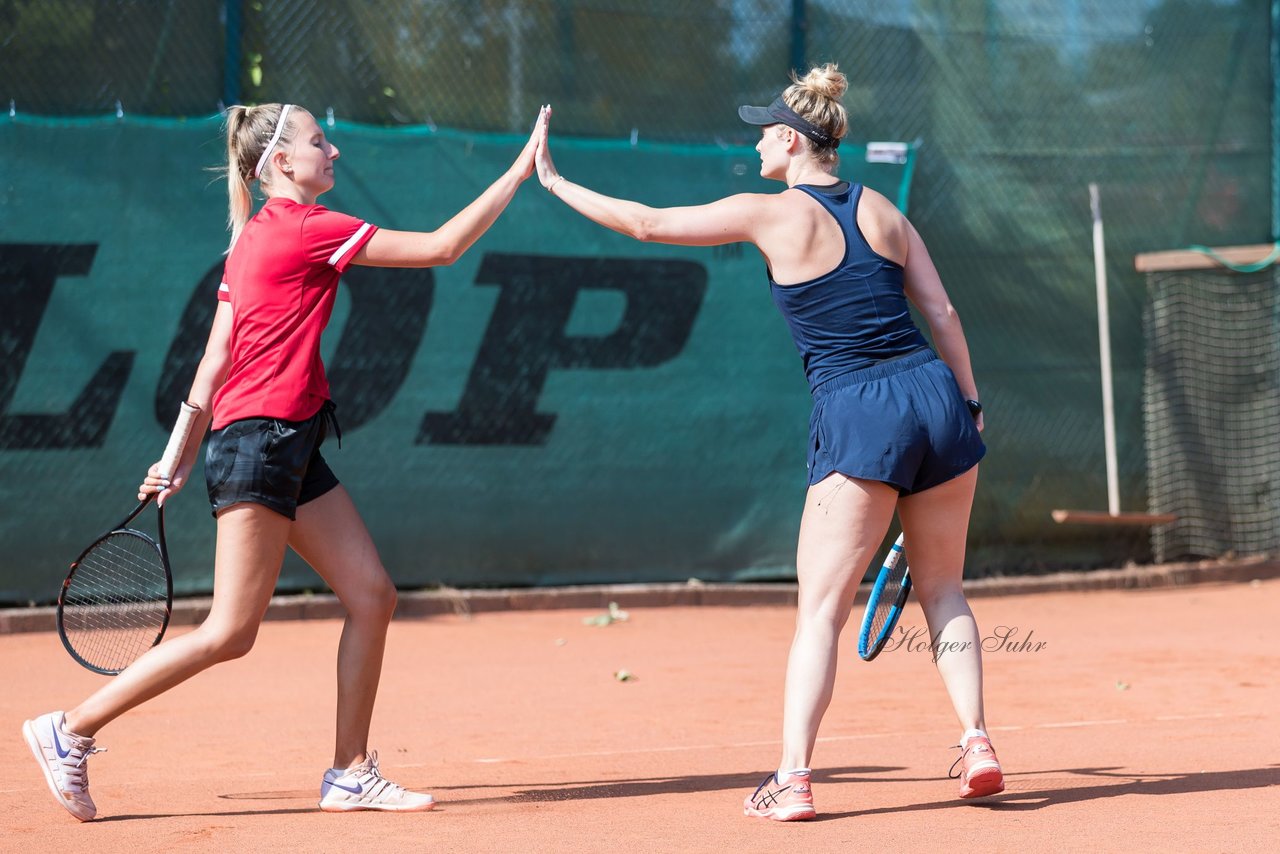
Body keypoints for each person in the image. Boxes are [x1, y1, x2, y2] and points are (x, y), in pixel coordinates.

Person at [23, 102, 547, 821]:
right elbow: (442, 247)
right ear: (279, 162)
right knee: (229, 633)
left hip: (280, 438)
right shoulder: (302, 228)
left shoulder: (252, 239)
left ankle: (349, 772)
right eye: (319, 142)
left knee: (372, 594)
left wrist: (177, 455)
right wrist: (518, 171)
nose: (334, 153)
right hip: (263, 440)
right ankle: (70, 728)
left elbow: (213, 363)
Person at [531, 63, 1002, 821]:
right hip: (934, 395)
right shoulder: (883, 207)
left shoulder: (769, 213)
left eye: (763, 135)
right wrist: (970, 399)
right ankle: (977, 740)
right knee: (945, 588)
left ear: (790, 139)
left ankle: (793, 781)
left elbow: (648, 224)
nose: (755, 148)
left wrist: (553, 181)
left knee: (820, 611)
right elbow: (941, 312)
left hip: (859, 409)